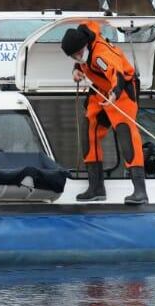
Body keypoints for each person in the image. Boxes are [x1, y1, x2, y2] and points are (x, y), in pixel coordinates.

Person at [60, 22, 147, 204]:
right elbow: (82, 63)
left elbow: (118, 75)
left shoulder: (101, 54)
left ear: (84, 46)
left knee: (126, 134)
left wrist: (114, 95)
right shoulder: (83, 51)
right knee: (89, 132)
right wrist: (76, 70)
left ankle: (140, 191)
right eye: (73, 56)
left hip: (121, 92)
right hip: (100, 90)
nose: (77, 57)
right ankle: (96, 187)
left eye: (77, 53)